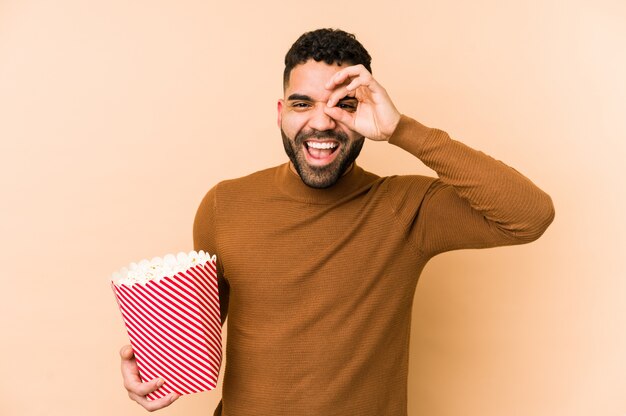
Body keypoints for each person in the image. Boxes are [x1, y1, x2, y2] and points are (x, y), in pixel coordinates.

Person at [119, 28, 555, 415]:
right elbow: (195, 332)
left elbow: (529, 216)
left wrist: (402, 129)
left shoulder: (406, 207)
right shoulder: (224, 204)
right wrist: (154, 369)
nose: (322, 122)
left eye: (343, 105)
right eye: (302, 103)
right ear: (280, 112)